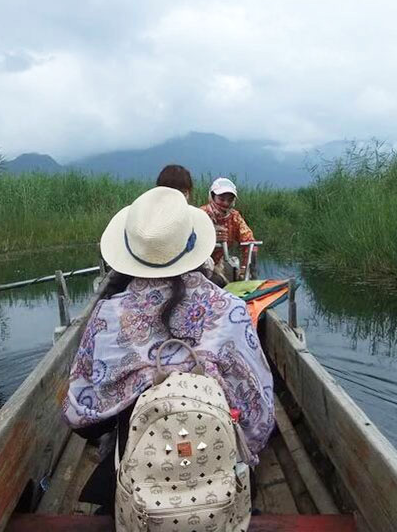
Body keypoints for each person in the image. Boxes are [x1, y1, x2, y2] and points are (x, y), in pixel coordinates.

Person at [63, 186, 274, 464]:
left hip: (140, 464)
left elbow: (79, 417)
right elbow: (260, 415)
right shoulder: (232, 310)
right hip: (218, 462)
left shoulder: (107, 315)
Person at [201, 177, 258, 279]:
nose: (226, 203)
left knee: (234, 266)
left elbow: (249, 241)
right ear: (212, 197)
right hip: (199, 264)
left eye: (230, 200)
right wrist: (211, 237)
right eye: (221, 199)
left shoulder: (234, 217)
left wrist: (245, 268)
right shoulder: (200, 214)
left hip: (221, 263)